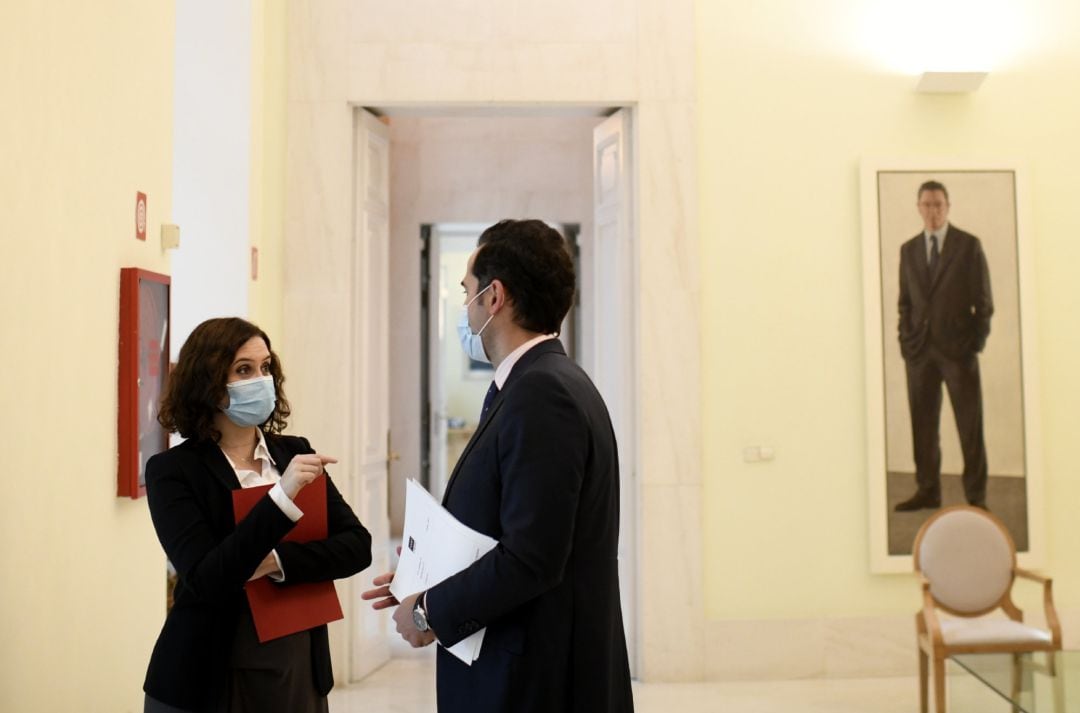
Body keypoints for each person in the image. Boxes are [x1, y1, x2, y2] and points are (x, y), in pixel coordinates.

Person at [363, 220, 634, 712]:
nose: (464, 308)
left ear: (494, 298)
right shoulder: (538, 383)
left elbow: (532, 557)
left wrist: (429, 612)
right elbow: (512, 523)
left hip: (533, 679)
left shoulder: (543, 394)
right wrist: (427, 574)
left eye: (466, 291)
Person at [142, 317, 372, 712]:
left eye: (266, 367)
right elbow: (207, 577)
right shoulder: (172, 471)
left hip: (296, 660)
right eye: (244, 369)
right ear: (209, 382)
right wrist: (281, 498)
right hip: (209, 670)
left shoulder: (294, 452)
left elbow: (357, 546)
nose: (261, 379)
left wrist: (276, 562)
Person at [895, 181, 993, 511]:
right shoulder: (908, 250)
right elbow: (905, 302)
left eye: (938, 204)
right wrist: (905, 338)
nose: (932, 211)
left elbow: (984, 302)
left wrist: (975, 342)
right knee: (922, 425)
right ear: (918, 207)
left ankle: (977, 498)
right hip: (919, 352)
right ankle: (928, 490)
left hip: (958, 351)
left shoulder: (968, 246)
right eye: (926, 204)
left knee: (970, 426)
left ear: (948, 207)